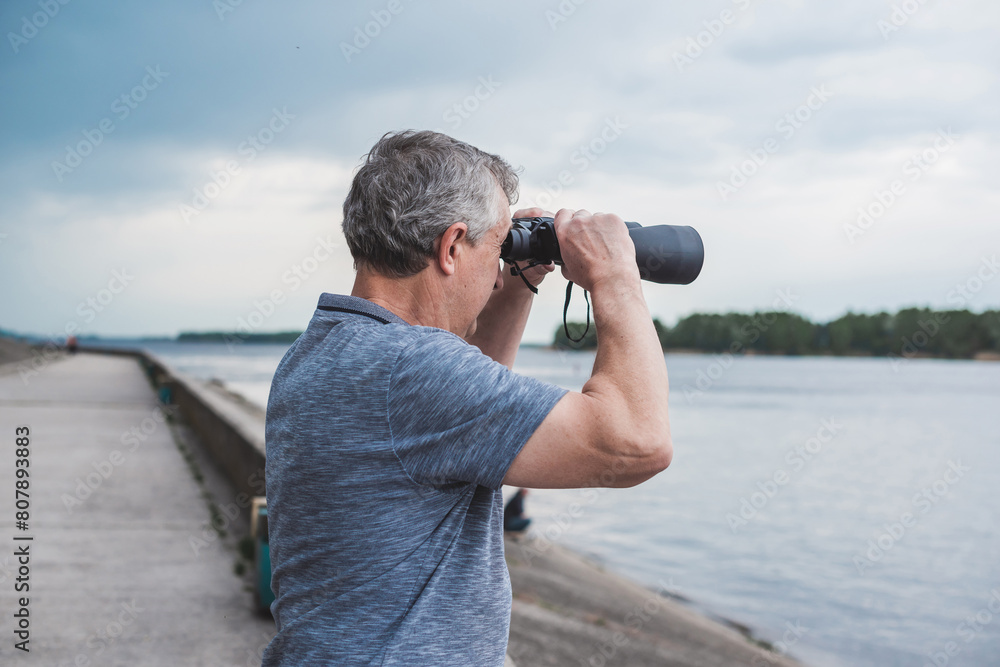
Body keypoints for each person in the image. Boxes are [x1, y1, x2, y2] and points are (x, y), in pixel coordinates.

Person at [262, 130, 672, 666]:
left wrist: (521, 281)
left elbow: (472, 427)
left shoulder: (321, 352)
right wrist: (614, 275)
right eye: (497, 248)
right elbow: (636, 443)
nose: (497, 275)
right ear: (452, 247)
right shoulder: (411, 369)